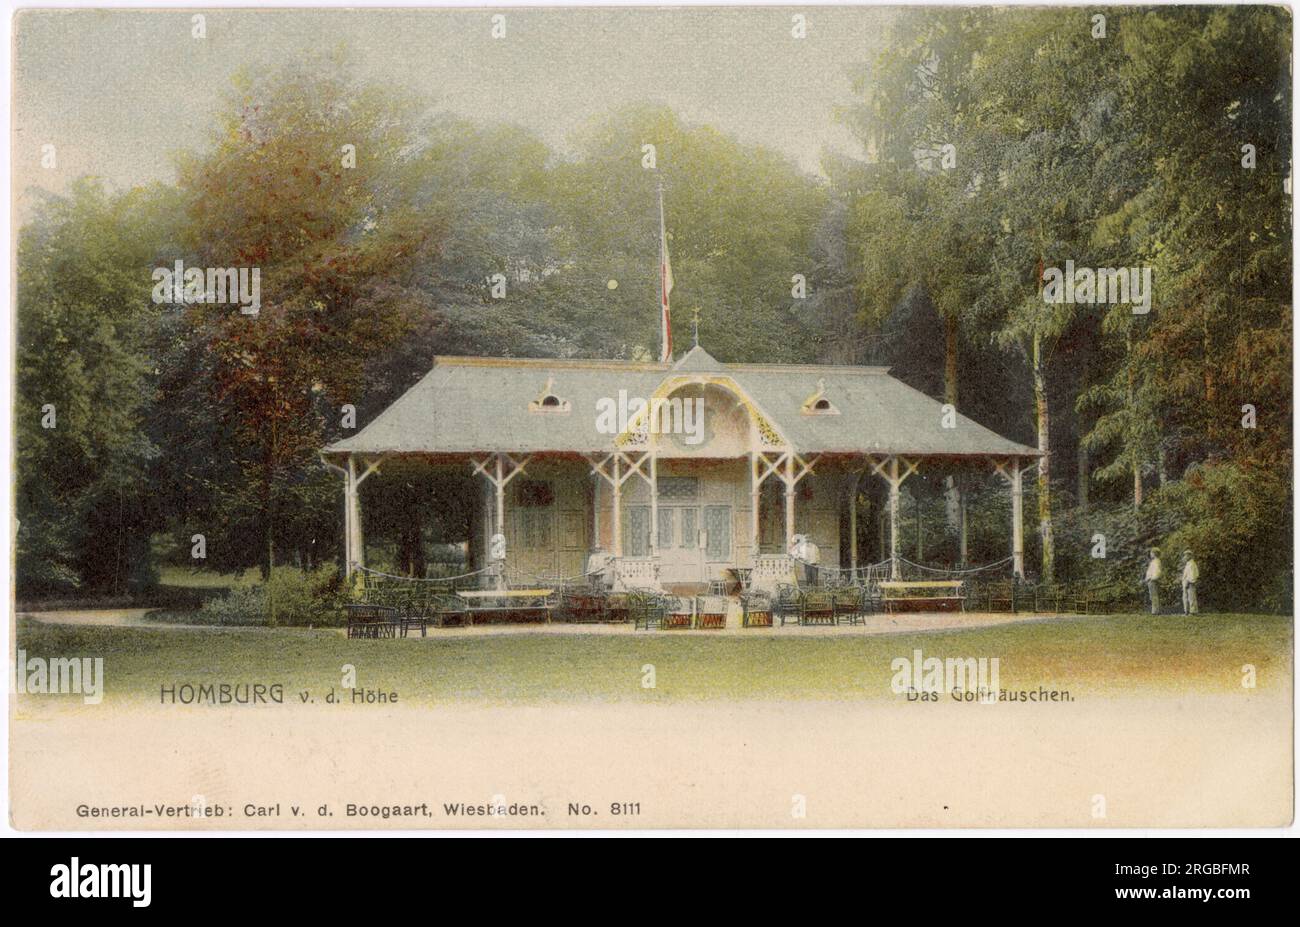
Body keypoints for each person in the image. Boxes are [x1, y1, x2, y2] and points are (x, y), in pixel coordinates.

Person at [1144, 548, 1162, 614]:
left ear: (1155, 553)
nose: (1150, 554)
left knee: (1154, 596)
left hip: (1153, 580)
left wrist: (1153, 578)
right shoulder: (1154, 561)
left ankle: (1155, 611)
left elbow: (1157, 571)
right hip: (1150, 580)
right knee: (1152, 596)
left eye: (1151, 553)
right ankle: (1154, 610)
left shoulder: (1157, 561)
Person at [1181, 550, 1199, 615]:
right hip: (1186, 583)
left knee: (1191, 597)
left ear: (1190, 556)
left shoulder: (1192, 564)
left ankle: (1193, 612)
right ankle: (1187, 611)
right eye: (1185, 555)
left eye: (1186, 555)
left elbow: (1193, 575)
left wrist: (1189, 582)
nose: (1185, 557)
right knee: (1186, 597)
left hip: (1190, 583)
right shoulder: (1188, 564)